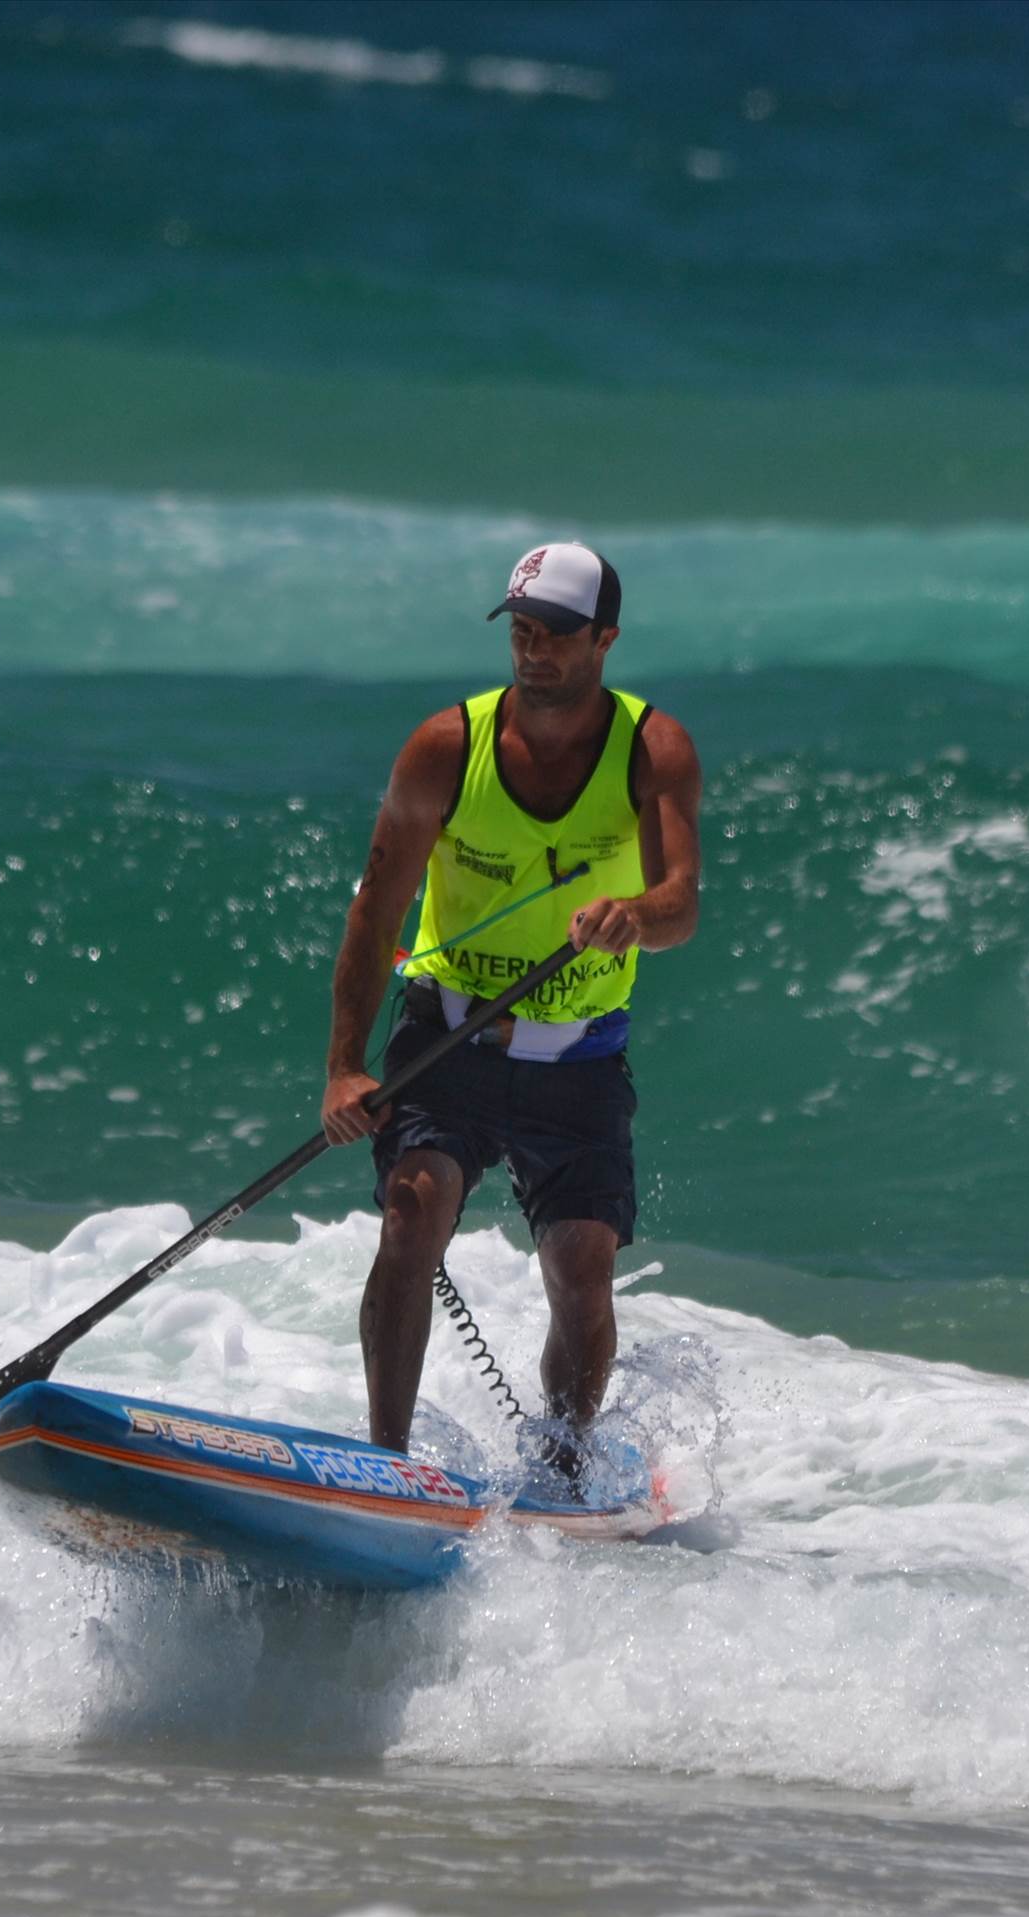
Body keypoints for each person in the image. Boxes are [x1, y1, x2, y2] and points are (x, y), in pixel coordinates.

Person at [319, 542, 704, 1459]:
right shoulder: (447, 747)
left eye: (558, 634)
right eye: (522, 629)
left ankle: (566, 1469)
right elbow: (376, 910)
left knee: (582, 1270)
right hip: (448, 1039)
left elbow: (681, 903)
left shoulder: (652, 748)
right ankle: (384, 1462)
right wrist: (343, 1066)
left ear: (605, 639)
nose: (534, 650)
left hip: (580, 1058)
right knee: (412, 1215)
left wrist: (634, 915)